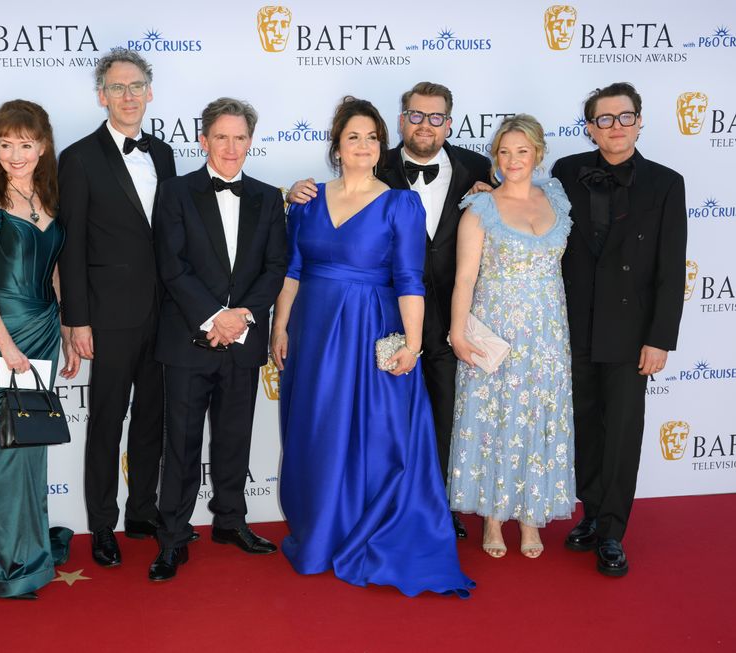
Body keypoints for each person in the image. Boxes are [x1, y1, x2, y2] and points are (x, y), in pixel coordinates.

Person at [273, 96, 473, 598]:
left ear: (381, 145)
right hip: (313, 331)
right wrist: (280, 328)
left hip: (371, 330)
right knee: (317, 427)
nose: (362, 146)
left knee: (373, 433)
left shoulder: (400, 203)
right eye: (351, 137)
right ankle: (321, 529)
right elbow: (292, 272)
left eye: (370, 137)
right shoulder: (307, 199)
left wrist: (411, 342)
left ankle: (368, 528)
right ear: (336, 147)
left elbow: (409, 278)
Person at [149, 97, 287, 582]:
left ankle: (230, 522)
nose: (231, 147)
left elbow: (276, 267)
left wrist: (241, 317)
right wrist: (214, 318)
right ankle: (173, 536)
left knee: (235, 439)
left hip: (244, 340)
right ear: (203, 140)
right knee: (181, 444)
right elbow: (172, 266)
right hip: (189, 339)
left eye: (240, 137)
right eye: (221, 137)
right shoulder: (174, 192)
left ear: (251, 141)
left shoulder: (269, 198)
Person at [552, 83, 686, 577]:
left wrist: (660, 338)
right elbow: (527, 209)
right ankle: (590, 514)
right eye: (604, 119)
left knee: (623, 432)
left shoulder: (667, 183)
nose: (615, 127)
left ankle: (612, 530)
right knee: (586, 426)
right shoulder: (566, 171)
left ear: (639, 120)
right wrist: (487, 188)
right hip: (574, 324)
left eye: (624, 117)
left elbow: (672, 268)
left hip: (631, 332)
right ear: (590, 126)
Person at [58, 49, 176, 568]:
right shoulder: (79, 158)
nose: (128, 96)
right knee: (107, 422)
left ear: (150, 92)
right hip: (107, 316)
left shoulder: (166, 153)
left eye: (136, 87)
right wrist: (75, 319)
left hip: (165, 314)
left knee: (153, 418)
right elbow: (72, 245)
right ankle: (102, 523)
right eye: (117, 88)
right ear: (101, 95)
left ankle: (142, 512)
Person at [0, 100, 78, 599]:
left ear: (43, 145)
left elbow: (53, 272)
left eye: (24, 144)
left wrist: (68, 331)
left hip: (45, 329)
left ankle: (15, 537)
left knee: (30, 439)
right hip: (1, 334)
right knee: (11, 443)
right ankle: (9, 562)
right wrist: (6, 347)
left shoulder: (52, 198)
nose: (14, 154)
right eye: (5, 144)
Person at [447, 114, 576, 560]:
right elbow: (464, 279)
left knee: (539, 417)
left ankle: (530, 514)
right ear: (495, 158)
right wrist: (458, 334)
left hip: (548, 333)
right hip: (496, 329)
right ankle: (495, 518)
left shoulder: (557, 197)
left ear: (538, 154)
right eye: (504, 151)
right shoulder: (481, 208)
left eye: (522, 151)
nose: (513, 159)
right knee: (495, 421)